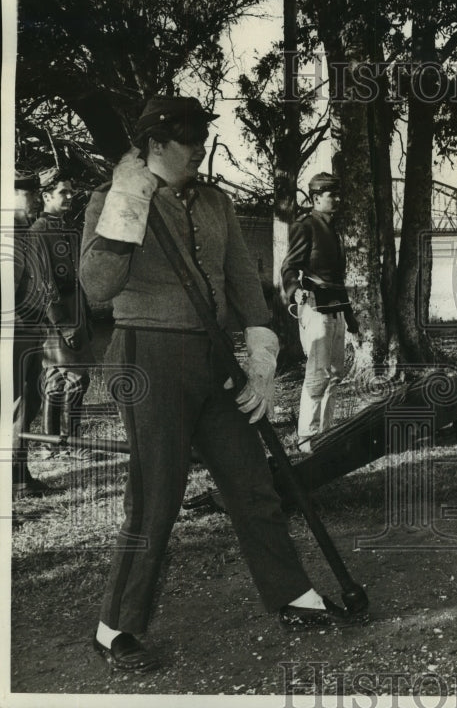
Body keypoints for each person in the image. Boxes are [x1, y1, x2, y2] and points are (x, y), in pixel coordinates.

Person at [79, 95, 353, 673]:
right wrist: (130, 198)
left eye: (203, 135)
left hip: (213, 357)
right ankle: (115, 627)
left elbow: (243, 286)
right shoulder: (113, 199)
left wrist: (260, 353)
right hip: (148, 359)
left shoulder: (215, 202)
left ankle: (291, 593)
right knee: (156, 495)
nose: (200, 147)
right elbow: (98, 287)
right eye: (187, 138)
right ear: (156, 143)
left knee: (252, 481)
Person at [280, 172, 359, 453]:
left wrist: (351, 320)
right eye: (331, 195)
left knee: (335, 374)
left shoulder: (334, 229)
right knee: (317, 375)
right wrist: (294, 291)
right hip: (315, 307)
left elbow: (337, 279)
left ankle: (325, 435)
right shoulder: (306, 226)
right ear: (315, 198)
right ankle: (307, 439)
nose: (337, 199)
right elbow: (289, 268)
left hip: (336, 308)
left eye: (338, 194)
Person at [30, 171, 94, 441]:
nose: (70, 196)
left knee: (57, 379)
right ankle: (73, 443)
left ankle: (51, 443)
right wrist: (65, 324)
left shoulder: (67, 228)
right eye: (63, 192)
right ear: (46, 196)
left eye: (71, 191)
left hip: (75, 309)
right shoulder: (38, 232)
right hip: (57, 315)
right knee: (76, 378)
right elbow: (44, 283)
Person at [11, 169, 59, 499]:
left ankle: (19, 473)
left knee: (27, 404)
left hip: (28, 336)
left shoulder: (25, 232)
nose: (36, 200)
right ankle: (13, 480)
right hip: (12, 338)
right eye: (29, 194)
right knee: (15, 406)